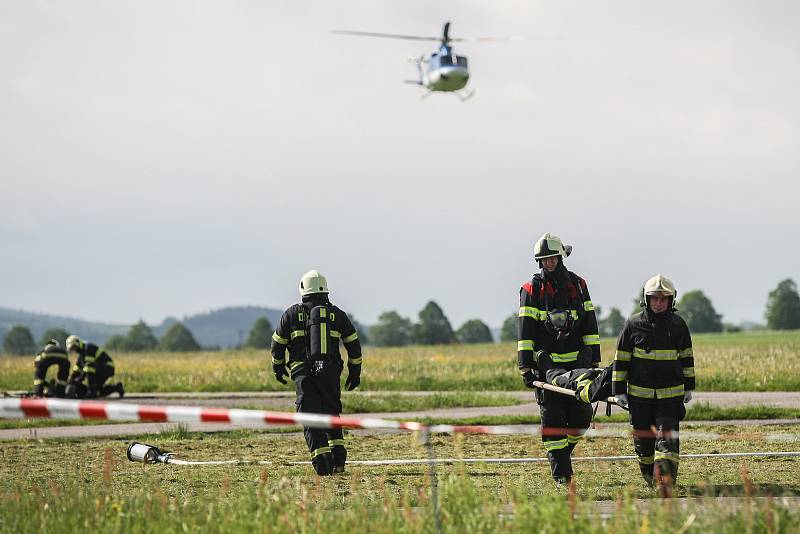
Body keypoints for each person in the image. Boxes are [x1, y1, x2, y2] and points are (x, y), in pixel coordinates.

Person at [517, 233, 602, 485]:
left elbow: (590, 323)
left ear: (561, 256)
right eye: (544, 260)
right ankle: (562, 475)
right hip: (547, 369)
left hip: (579, 366)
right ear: (539, 262)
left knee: (581, 418)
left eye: (552, 258)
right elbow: (525, 331)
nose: (549, 263)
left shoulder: (578, 285)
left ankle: (561, 456)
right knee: (553, 420)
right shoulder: (531, 290)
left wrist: (593, 360)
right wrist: (525, 366)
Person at [270, 270, 363, 476]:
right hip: (330, 374)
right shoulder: (337, 315)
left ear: (303, 289)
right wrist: (354, 372)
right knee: (331, 414)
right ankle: (338, 461)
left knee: (310, 417)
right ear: (325, 289)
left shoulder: (291, 314)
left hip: (303, 376)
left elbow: (277, 345)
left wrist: (278, 367)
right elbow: (353, 346)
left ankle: (323, 465)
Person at [612, 274, 695, 490]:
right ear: (646, 300)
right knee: (644, 445)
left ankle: (665, 482)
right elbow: (621, 360)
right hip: (640, 399)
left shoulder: (679, 325)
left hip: (670, 398)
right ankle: (650, 476)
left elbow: (687, 357)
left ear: (671, 300)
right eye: (654, 299)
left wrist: (689, 386)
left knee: (667, 442)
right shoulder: (632, 325)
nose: (659, 303)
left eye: (663, 299)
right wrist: (618, 390)